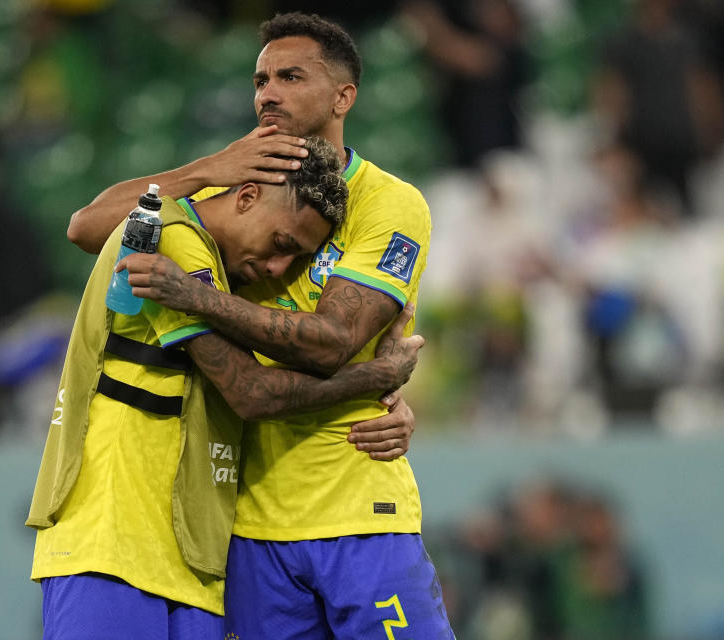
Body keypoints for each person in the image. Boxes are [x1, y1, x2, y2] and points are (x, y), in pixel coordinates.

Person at [67, 12, 455, 639]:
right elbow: (89, 228)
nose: (267, 93)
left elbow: (332, 343)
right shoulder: (232, 188)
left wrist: (371, 379)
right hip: (246, 525)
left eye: (290, 76)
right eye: (260, 79)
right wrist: (206, 169)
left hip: (356, 503)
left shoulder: (386, 201)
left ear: (343, 96)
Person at [27, 135, 425, 640]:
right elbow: (253, 392)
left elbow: (280, 362)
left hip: (194, 562)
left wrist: (388, 401)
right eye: (282, 245)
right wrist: (377, 376)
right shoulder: (167, 237)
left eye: (296, 260)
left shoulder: (227, 279)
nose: (278, 269)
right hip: (109, 544)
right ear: (245, 197)